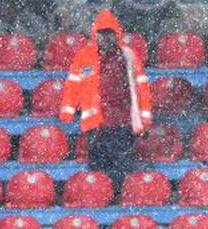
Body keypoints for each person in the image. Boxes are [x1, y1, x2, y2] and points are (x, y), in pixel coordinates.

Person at [59, 8, 152, 191]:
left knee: (121, 168)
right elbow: (73, 84)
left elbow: (142, 87)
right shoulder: (84, 56)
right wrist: (68, 110)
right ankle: (101, 198)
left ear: (117, 34)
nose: (105, 38)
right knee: (98, 169)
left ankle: (119, 199)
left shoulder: (128, 56)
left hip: (123, 123)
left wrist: (145, 116)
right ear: (95, 35)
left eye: (109, 34)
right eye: (102, 34)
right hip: (96, 124)